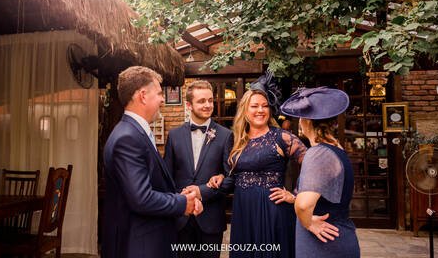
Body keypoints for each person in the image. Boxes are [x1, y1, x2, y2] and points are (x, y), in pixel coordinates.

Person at [102, 66, 202, 258]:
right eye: (158, 93)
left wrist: (178, 195)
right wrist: (182, 203)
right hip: (139, 246)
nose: (163, 99)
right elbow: (141, 198)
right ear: (142, 96)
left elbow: (148, 184)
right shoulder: (127, 138)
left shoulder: (134, 132)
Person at [209, 72, 307, 258]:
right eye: (254, 106)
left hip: (272, 211)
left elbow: (313, 164)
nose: (260, 110)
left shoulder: (281, 137)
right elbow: (232, 172)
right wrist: (221, 176)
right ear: (245, 110)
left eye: (264, 106)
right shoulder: (236, 140)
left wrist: (296, 195)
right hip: (243, 210)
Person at [281, 87, 360, 258]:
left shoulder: (318, 153)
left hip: (323, 243)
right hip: (337, 236)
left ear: (306, 121)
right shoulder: (335, 147)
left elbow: (303, 205)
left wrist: (308, 224)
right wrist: (293, 197)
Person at [164, 80, 233, 258]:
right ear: (189, 105)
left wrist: (201, 192)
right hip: (181, 219)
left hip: (211, 220)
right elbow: (167, 178)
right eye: (202, 101)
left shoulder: (225, 136)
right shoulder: (174, 135)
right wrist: (179, 202)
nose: (208, 105)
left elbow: (231, 178)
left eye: (210, 100)